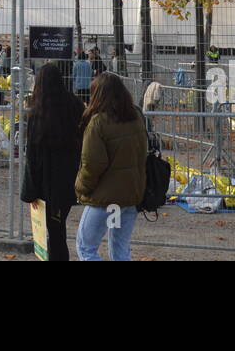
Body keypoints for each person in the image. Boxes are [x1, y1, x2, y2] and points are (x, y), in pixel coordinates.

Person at [73, 72, 147, 261]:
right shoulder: (136, 117)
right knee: (120, 248)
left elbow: (93, 164)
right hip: (130, 194)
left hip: (105, 197)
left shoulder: (98, 123)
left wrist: (81, 187)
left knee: (86, 247)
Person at [21, 63, 85, 261]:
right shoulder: (75, 106)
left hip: (48, 182)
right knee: (57, 229)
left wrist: (30, 190)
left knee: (55, 232)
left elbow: (32, 156)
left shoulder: (38, 113)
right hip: (70, 177)